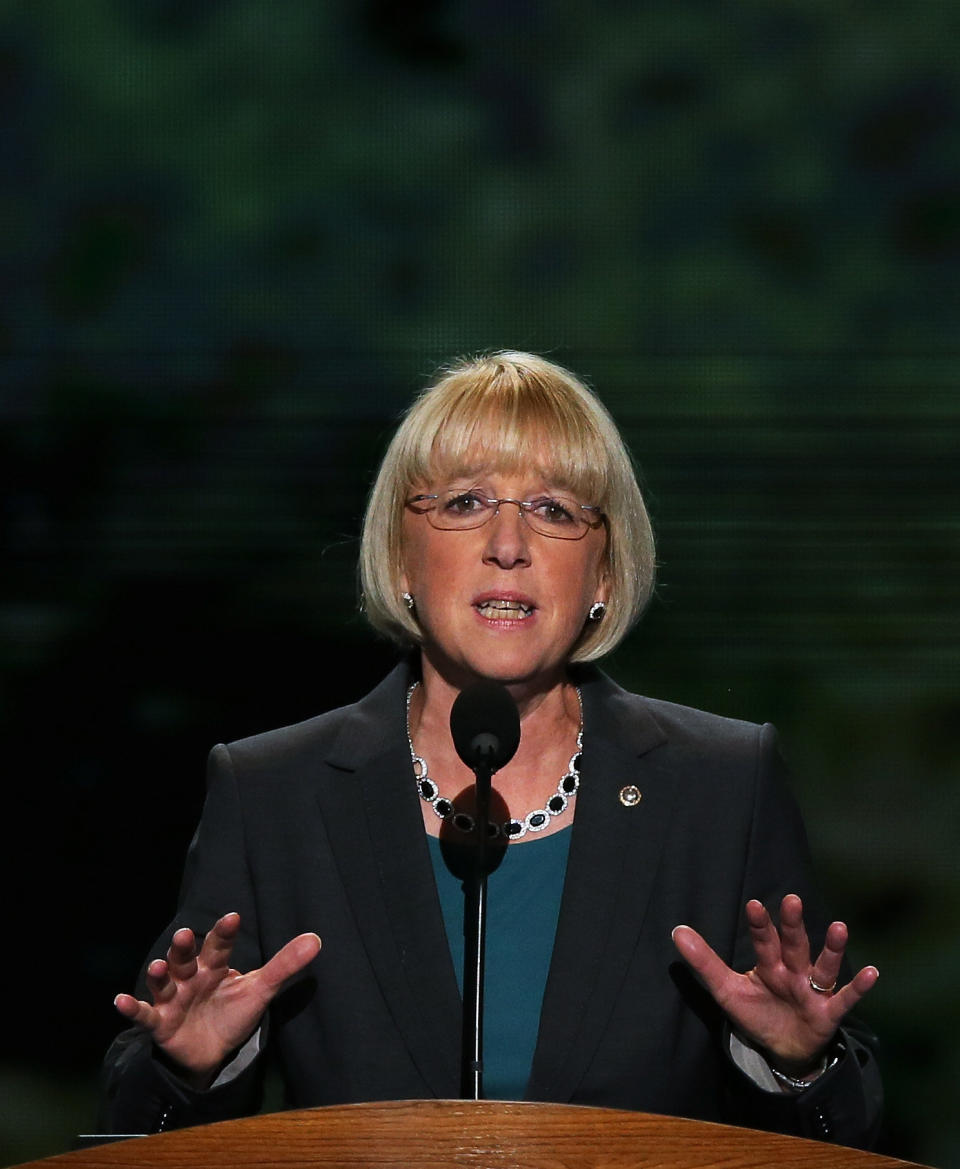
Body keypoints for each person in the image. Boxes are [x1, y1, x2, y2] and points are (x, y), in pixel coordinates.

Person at [101, 352, 881, 1145]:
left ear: (603, 571)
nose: (508, 543)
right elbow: (133, 1125)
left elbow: (845, 1133)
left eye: (554, 509)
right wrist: (192, 1069)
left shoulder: (722, 785)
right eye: (466, 501)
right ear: (402, 555)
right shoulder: (274, 792)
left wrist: (795, 1066)